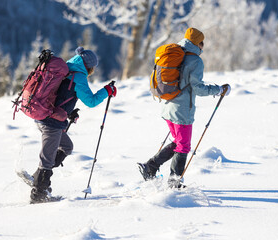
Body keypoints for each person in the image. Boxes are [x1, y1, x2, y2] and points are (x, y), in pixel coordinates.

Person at [138, 28, 231, 188]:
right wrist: (219, 90)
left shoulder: (175, 53)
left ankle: (150, 167)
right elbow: (199, 89)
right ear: (199, 43)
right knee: (184, 146)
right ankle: (173, 182)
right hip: (181, 111)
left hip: (167, 106)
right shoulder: (195, 61)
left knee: (179, 143)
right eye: (202, 44)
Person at [30, 46, 117, 203]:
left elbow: (60, 94)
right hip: (51, 122)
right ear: (89, 67)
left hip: (45, 116)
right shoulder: (78, 76)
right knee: (48, 159)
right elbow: (91, 101)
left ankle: (38, 178)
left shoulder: (66, 68)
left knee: (67, 147)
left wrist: (68, 111)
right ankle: (39, 195)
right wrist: (106, 91)